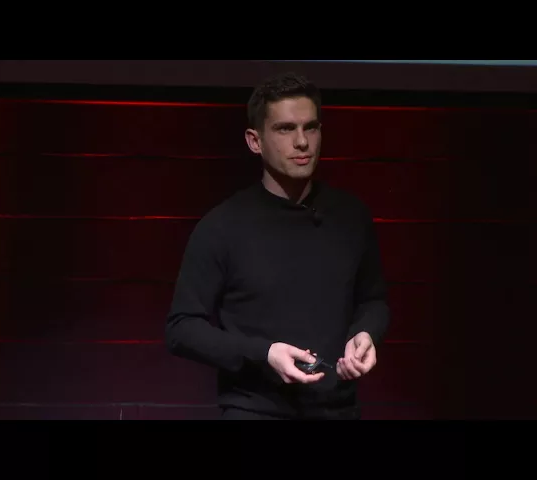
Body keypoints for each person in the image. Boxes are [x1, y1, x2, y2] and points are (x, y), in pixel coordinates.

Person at [165, 71, 390, 420]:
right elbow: (181, 329)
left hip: (337, 409)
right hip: (255, 409)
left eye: (310, 128)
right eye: (285, 129)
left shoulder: (351, 216)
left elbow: (373, 300)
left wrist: (366, 333)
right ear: (255, 141)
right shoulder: (222, 226)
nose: (302, 142)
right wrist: (264, 353)